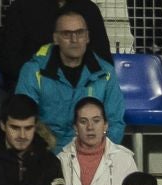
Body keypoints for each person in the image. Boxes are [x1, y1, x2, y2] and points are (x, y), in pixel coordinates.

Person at [14, 7, 124, 151]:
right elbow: (23, 120)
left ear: (87, 37)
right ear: (56, 39)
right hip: (45, 154)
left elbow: (115, 123)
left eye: (79, 33)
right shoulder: (33, 71)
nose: (74, 39)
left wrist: (96, 155)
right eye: (67, 34)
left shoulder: (106, 73)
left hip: (93, 154)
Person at [58, 97, 138, 185]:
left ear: (105, 125)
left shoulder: (124, 160)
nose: (90, 127)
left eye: (96, 121)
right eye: (83, 121)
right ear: (75, 127)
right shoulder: (61, 160)